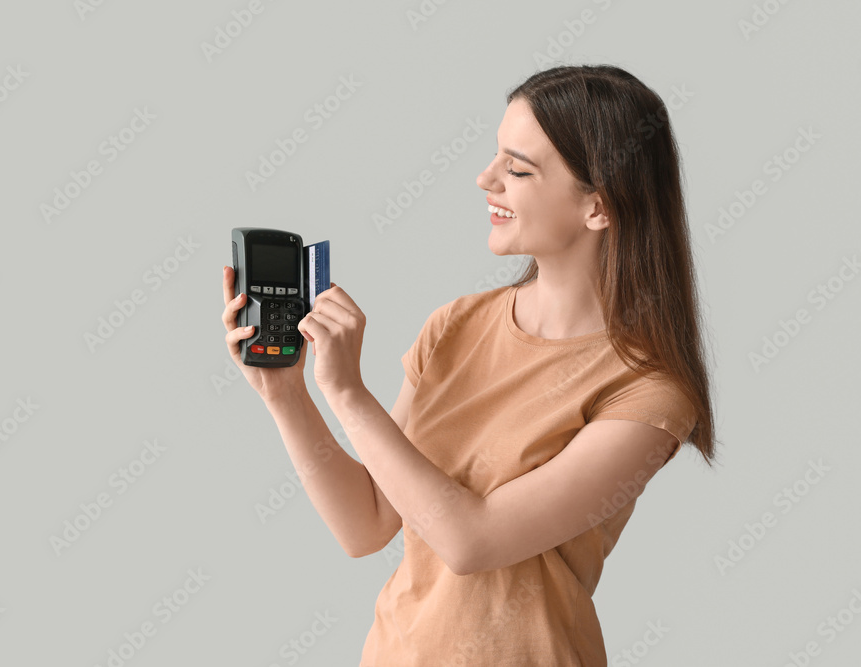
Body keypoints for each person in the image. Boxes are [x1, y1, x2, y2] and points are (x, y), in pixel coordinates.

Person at [220, 63, 720, 666]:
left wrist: (349, 393)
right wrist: (286, 394)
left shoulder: (649, 392)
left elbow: (471, 540)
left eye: (518, 169)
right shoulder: (454, 326)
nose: (486, 179)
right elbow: (367, 522)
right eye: (495, 157)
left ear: (599, 207)